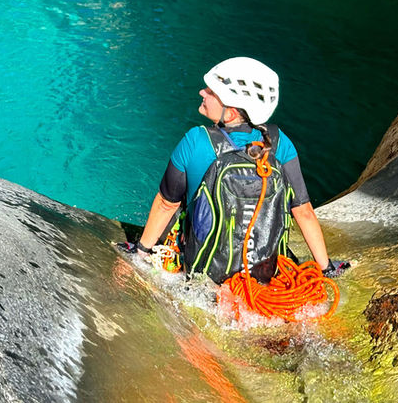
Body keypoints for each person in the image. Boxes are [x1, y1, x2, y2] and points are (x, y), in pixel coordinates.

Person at [129, 56, 347, 282]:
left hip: (207, 270)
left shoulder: (195, 140)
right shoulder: (279, 142)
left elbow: (166, 204)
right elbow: (303, 211)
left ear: (231, 113)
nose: (202, 93)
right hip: (264, 272)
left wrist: (141, 251)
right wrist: (327, 268)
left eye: (211, 92)